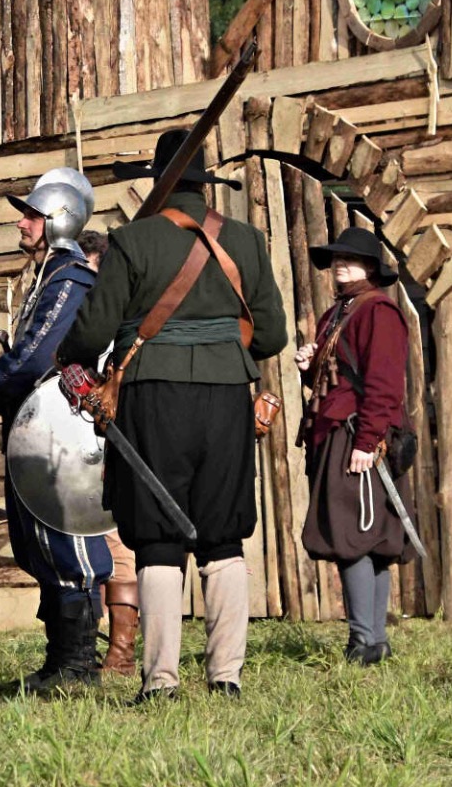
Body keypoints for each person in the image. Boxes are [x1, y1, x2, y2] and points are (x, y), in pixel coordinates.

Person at [57, 130, 287, 702]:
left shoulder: (132, 241)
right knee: (223, 536)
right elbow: (272, 336)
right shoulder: (246, 240)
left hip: (152, 397)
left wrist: (74, 356)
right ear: (204, 185)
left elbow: (92, 331)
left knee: (157, 538)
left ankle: (161, 681)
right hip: (227, 396)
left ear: (159, 183)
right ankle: (226, 677)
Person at [0, 176, 111, 694]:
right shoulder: (48, 275)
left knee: (67, 542)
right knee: (41, 545)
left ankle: (78, 666)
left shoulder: (69, 278)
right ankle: (59, 662)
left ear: (57, 220)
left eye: (31, 214)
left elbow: (37, 357)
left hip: (63, 430)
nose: (21, 222)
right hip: (41, 426)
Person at [297, 227, 412, 664]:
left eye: (351, 258)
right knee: (366, 535)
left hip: (358, 435)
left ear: (370, 268)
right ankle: (373, 640)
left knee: (356, 534)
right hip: (340, 432)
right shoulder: (338, 312)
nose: (341, 264)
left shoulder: (378, 311)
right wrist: (310, 367)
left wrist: (368, 440)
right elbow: (338, 377)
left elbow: (385, 383)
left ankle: (364, 641)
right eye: (337, 258)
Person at [75, 229, 139, 679]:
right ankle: (86, 645)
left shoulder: (123, 311)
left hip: (112, 435)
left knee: (118, 544)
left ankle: (121, 653)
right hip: (79, 441)